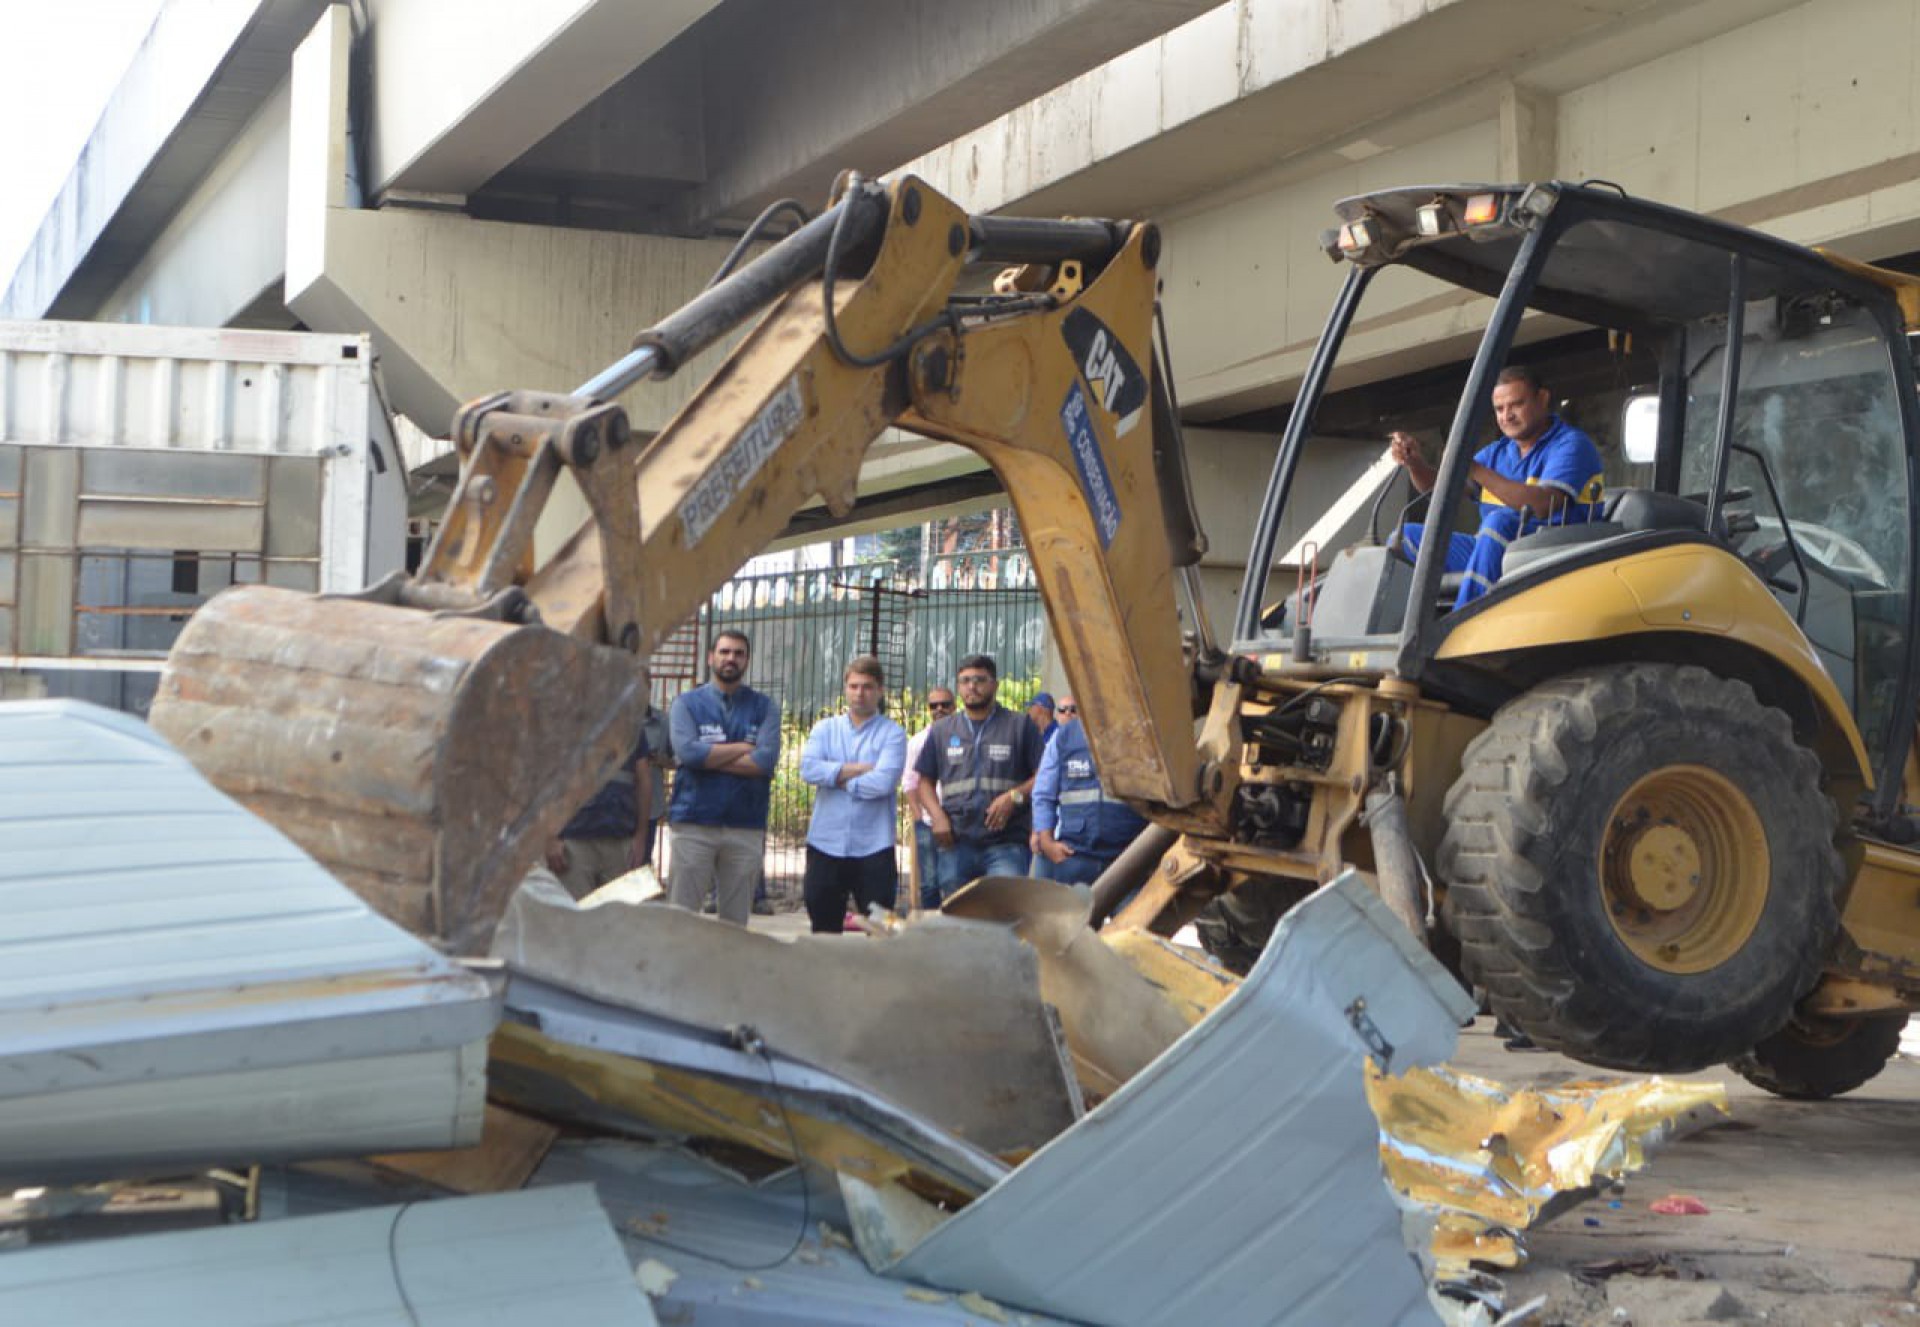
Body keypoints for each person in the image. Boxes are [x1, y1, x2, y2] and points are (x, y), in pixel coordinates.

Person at [1393, 365, 1604, 609]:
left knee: (1498, 522)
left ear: (1543, 399)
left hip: (1549, 554)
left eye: (1516, 404)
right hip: (1495, 548)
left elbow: (1544, 504)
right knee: (1404, 537)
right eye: (1499, 409)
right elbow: (1443, 493)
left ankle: (1462, 625)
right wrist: (1415, 464)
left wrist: (1473, 469)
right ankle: (1406, 629)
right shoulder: (1496, 453)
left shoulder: (1570, 444)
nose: (1507, 416)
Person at [666, 630, 781, 925]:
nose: (731, 658)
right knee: (681, 918)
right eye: (725, 652)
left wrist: (709, 757)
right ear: (711, 657)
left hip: (745, 826)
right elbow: (689, 754)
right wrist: (743, 747)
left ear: (747, 661)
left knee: (735, 924)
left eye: (739, 653)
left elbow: (765, 761)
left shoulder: (764, 707)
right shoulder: (686, 705)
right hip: (694, 823)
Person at [912, 654, 1045, 900]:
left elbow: (1044, 776)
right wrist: (938, 816)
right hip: (956, 842)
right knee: (958, 917)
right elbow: (925, 782)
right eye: (964, 681)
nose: (971, 686)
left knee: (1005, 913)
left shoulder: (1019, 725)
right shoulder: (942, 731)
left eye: (979, 680)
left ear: (994, 685)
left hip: (1006, 843)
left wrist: (1014, 797)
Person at [798, 656, 907, 933]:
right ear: (845, 688)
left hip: (874, 846)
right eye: (854, 686)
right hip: (825, 843)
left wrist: (837, 778)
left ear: (880, 690)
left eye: (868, 687)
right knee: (822, 928)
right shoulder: (825, 729)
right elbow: (808, 770)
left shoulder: (892, 734)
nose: (860, 693)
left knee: (882, 929)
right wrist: (856, 769)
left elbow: (883, 783)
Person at [544, 703, 670, 899]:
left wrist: (640, 837)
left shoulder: (630, 726)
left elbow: (644, 781)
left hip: (619, 843)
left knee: (617, 923)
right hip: (574, 843)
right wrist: (551, 837)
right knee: (574, 922)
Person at [1030, 696, 1148, 889]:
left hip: (1128, 859)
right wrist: (1047, 841)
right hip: (1075, 856)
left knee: (1132, 919)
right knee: (1070, 919)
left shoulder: (1143, 735)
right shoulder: (1064, 737)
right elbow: (1043, 793)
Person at [899, 686, 955, 909]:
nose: (939, 709)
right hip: (927, 821)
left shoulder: (964, 737)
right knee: (929, 882)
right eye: (934, 705)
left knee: (954, 879)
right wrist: (918, 814)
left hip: (958, 818)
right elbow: (910, 781)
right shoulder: (917, 741)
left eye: (945, 704)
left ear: (955, 706)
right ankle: (932, 927)